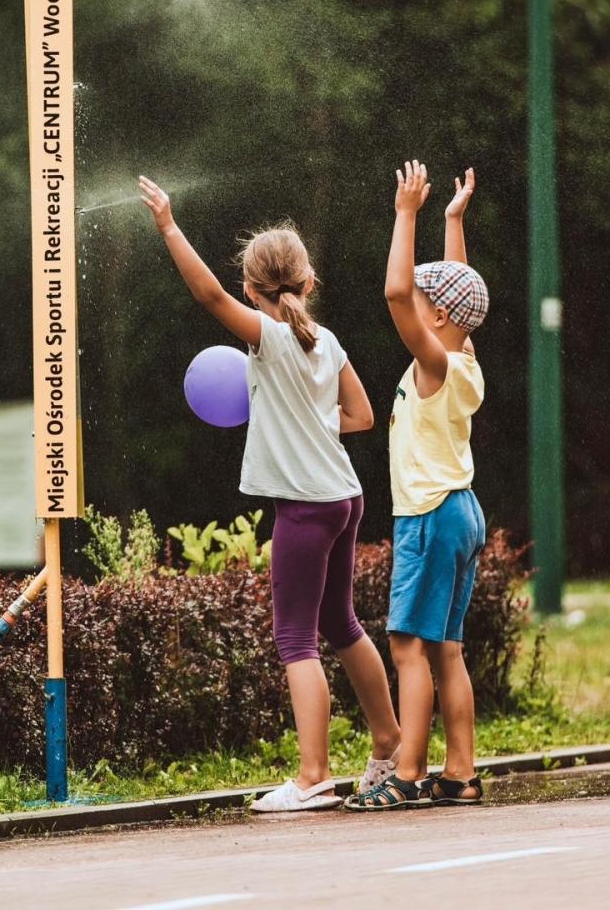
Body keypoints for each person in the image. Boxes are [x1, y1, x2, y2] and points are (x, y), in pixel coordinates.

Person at [138, 175, 401, 813]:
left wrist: (170, 226)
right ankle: (389, 744)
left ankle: (313, 776)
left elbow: (206, 293)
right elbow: (362, 416)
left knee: (295, 639)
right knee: (341, 623)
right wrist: (304, 421)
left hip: (307, 508)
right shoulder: (326, 342)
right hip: (345, 497)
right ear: (308, 282)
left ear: (254, 290)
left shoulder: (269, 338)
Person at [347, 161, 488, 811]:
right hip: (463, 510)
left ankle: (407, 774)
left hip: (429, 515)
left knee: (408, 647)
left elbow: (397, 294)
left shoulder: (433, 362)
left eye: (429, 300)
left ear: (437, 316)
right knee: (448, 649)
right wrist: (452, 221)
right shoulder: (463, 358)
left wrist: (406, 213)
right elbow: (453, 291)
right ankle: (459, 772)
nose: (419, 299)